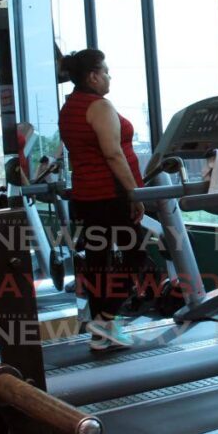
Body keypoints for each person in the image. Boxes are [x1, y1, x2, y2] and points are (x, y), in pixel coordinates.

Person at [58, 49, 147, 352]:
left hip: (86, 197)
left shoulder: (70, 105)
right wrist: (134, 192)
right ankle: (105, 318)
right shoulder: (99, 106)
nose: (109, 77)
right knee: (136, 257)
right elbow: (112, 153)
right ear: (93, 76)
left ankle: (100, 335)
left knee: (97, 264)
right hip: (110, 195)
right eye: (106, 71)